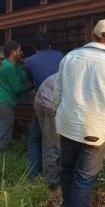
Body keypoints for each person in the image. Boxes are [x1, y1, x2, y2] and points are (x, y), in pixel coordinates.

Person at [53, 19, 105, 207]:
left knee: (67, 170)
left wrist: (60, 117)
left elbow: (57, 94)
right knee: (85, 178)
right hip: (96, 131)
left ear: (92, 34)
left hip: (68, 125)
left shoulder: (70, 58)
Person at [24, 33, 63, 185]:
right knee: (51, 137)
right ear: (50, 45)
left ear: (34, 48)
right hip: (63, 100)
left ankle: (47, 179)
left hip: (44, 103)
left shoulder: (29, 61)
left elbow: (29, 82)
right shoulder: (60, 55)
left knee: (43, 141)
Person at [0, 40, 32, 153]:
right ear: (13, 52)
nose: (21, 52)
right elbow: (17, 88)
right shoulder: (8, 67)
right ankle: (1, 160)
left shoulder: (14, 64)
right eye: (19, 50)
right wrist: (32, 85)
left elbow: (22, 78)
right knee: (5, 132)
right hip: (5, 103)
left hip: (2, 102)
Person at [34, 73, 61, 189]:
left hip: (41, 102)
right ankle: (53, 184)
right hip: (52, 106)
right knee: (53, 145)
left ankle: (53, 180)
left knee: (49, 143)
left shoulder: (62, 73)